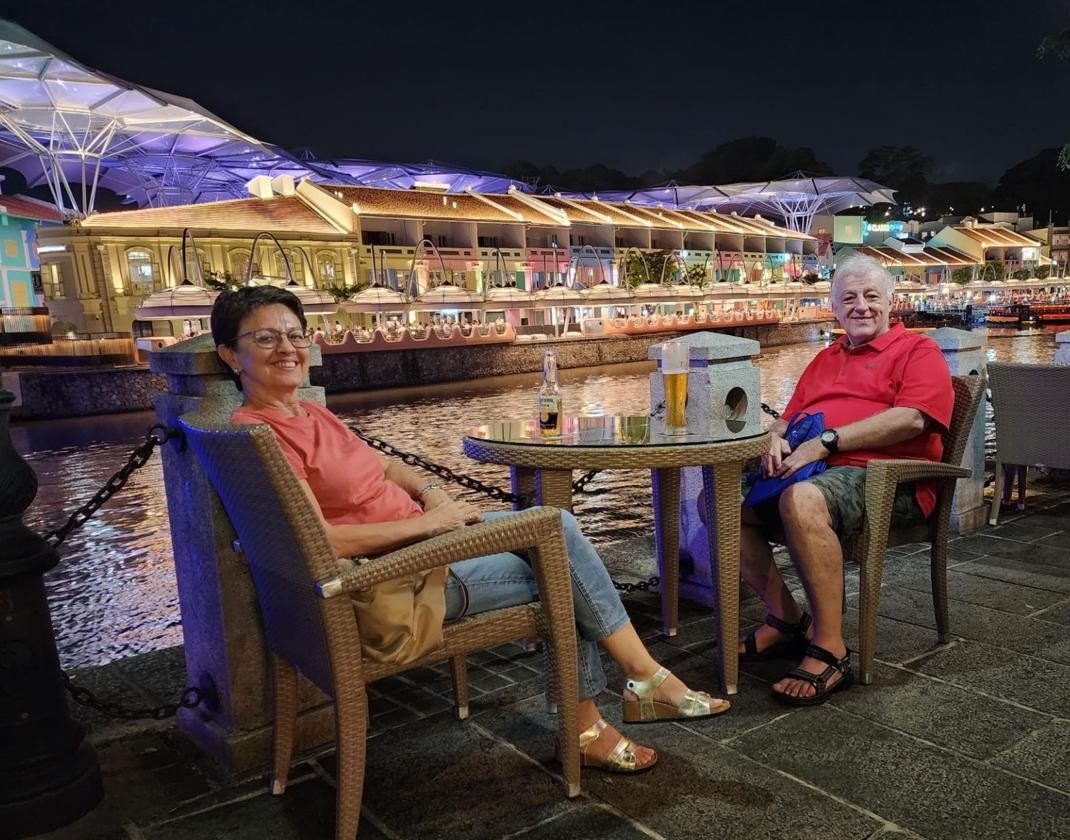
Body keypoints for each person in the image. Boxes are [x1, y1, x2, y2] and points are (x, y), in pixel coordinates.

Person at [211, 285, 728, 775]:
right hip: (398, 581)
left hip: (428, 545)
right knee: (562, 568)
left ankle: (626, 695)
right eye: (265, 338)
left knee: (557, 529)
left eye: (296, 334)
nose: (287, 348)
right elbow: (319, 543)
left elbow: (387, 469)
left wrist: (431, 494)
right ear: (231, 356)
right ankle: (618, 702)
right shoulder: (260, 435)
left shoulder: (311, 414)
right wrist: (433, 524)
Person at [739, 253, 953, 706]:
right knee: (718, 503)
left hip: (886, 479)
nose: (861, 306)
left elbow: (914, 419)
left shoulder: (918, 350)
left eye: (872, 296)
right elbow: (788, 419)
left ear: (892, 302)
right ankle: (785, 618)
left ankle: (831, 647)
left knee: (801, 499)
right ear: (833, 308)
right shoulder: (824, 358)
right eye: (848, 298)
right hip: (815, 471)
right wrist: (773, 439)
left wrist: (828, 442)